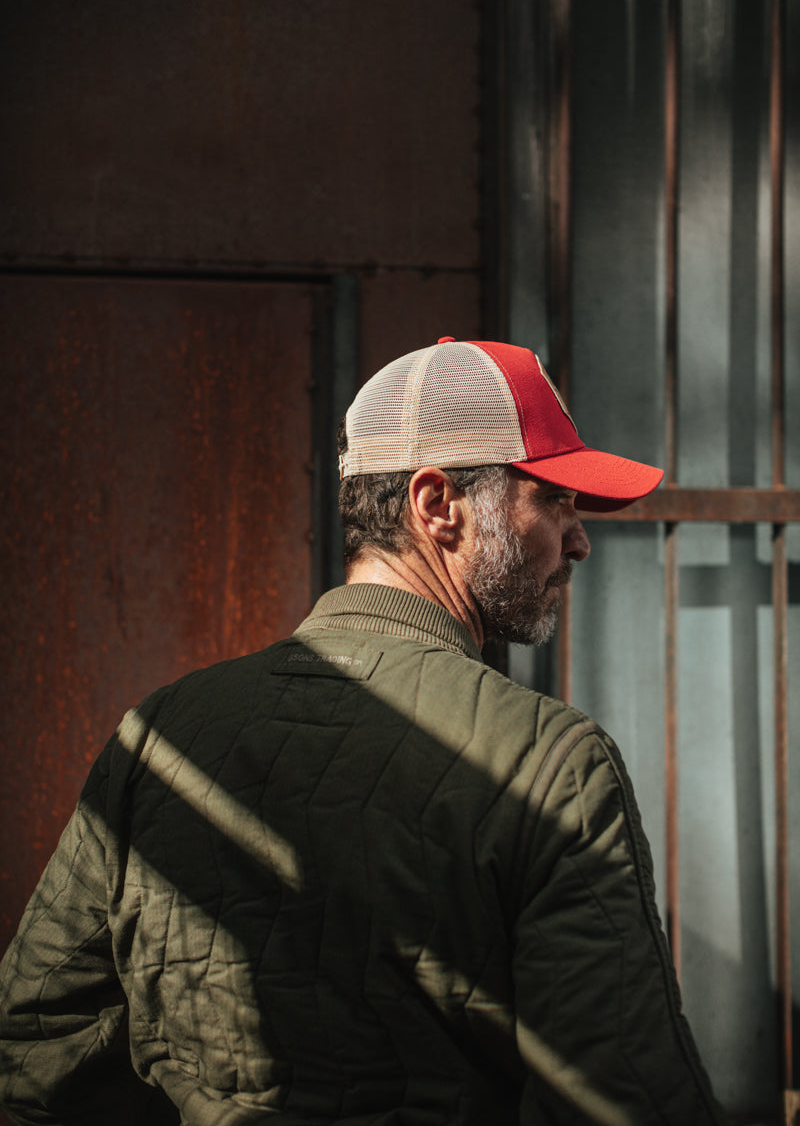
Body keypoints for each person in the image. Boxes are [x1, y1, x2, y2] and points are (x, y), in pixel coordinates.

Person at [0, 338, 724, 1125]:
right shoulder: (551, 763)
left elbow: (36, 1046)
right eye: (553, 500)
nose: (578, 540)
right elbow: (625, 1101)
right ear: (437, 504)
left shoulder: (157, 737)